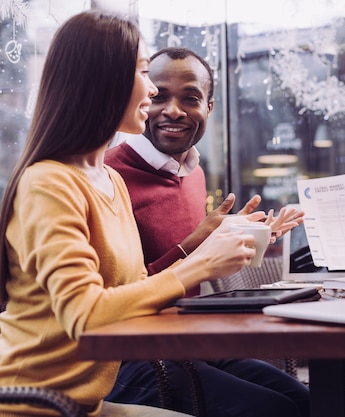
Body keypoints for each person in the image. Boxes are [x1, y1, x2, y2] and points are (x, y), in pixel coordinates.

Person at [0, 11, 281, 417]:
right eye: (144, 73)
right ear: (102, 83)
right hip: (38, 405)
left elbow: (139, 285)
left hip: (89, 401)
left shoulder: (109, 180)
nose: (151, 92)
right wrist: (198, 264)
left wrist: (209, 249)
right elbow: (85, 314)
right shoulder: (48, 184)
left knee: (295, 403)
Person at [104, 47, 309, 417]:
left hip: (184, 338)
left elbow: (191, 267)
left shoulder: (191, 171)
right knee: (272, 409)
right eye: (160, 95)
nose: (174, 111)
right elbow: (115, 296)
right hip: (127, 355)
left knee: (303, 399)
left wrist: (243, 242)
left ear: (209, 108)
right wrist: (198, 244)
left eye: (191, 98)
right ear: (144, 97)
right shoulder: (110, 174)